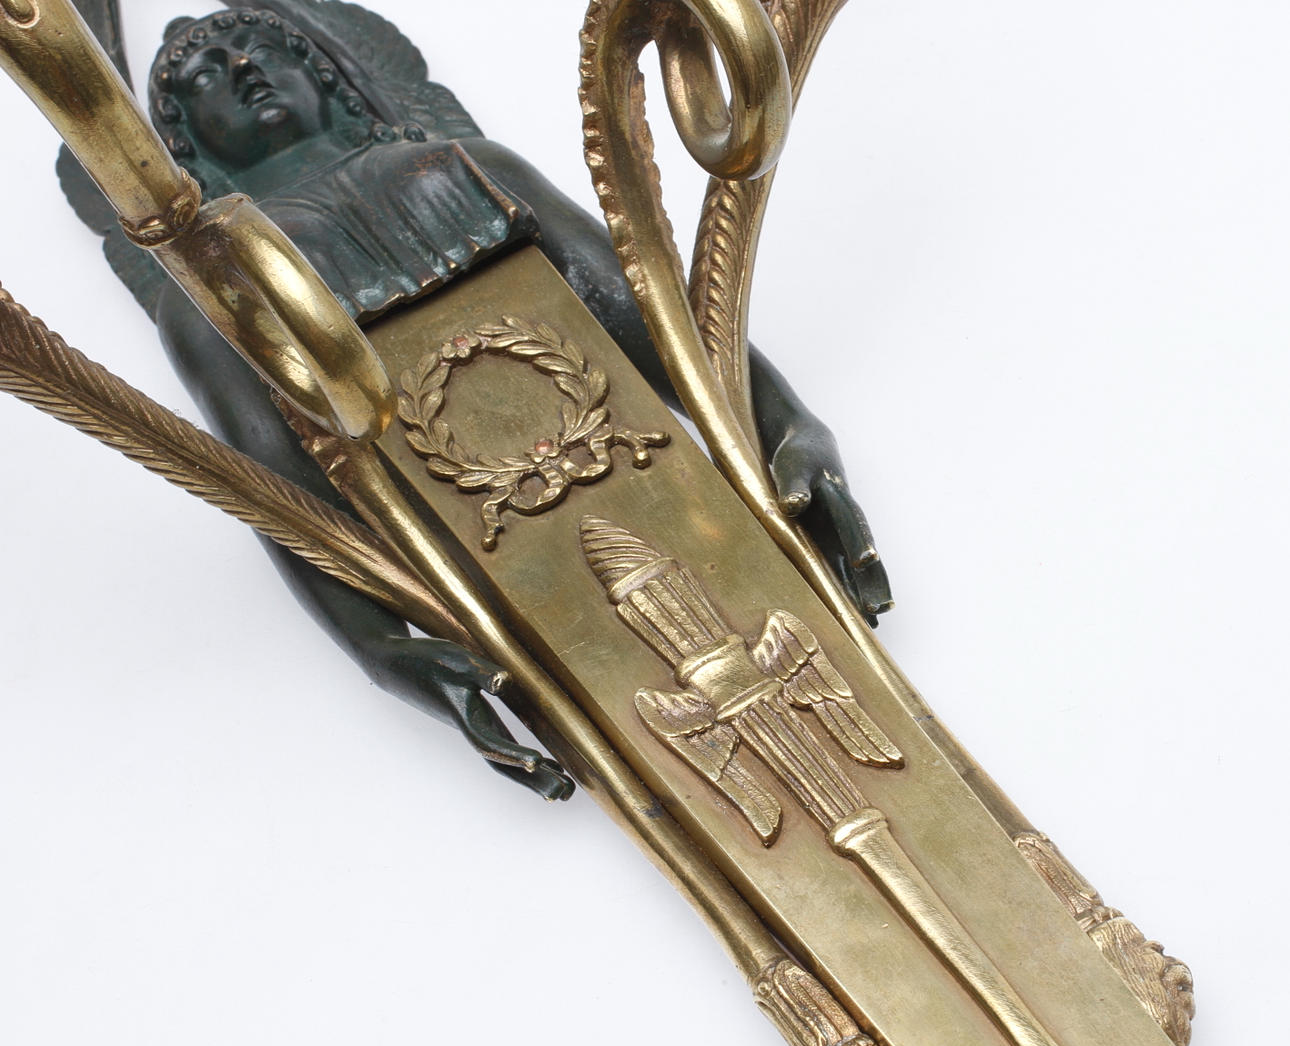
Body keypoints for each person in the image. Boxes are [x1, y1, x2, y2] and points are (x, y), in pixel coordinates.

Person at [68, 2, 892, 799]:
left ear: (326, 74)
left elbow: (653, 320)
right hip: (511, 577)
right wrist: (379, 645)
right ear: (186, 142)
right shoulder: (211, 296)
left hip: (662, 492)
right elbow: (284, 495)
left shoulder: (468, 165)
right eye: (205, 76)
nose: (245, 69)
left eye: (265, 48)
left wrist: (789, 425)